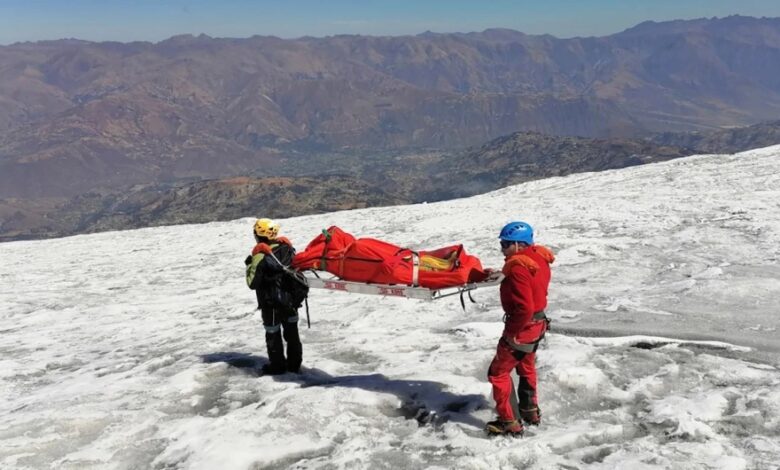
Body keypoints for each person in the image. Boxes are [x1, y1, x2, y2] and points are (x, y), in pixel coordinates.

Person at [485, 221, 555, 437]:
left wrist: (511, 333)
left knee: (498, 373)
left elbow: (524, 307)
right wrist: (501, 273)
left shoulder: (518, 267)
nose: (503, 249)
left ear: (517, 244)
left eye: (505, 244)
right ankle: (530, 411)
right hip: (538, 324)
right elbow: (530, 281)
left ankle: (509, 422)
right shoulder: (538, 257)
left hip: (523, 328)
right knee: (526, 367)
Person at [245, 218, 303, 375]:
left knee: (273, 334)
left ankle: (277, 367)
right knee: (292, 334)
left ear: (258, 235)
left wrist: (249, 264)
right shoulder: (287, 248)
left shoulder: (260, 255)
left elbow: (252, 283)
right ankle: (294, 366)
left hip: (271, 304)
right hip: (291, 301)